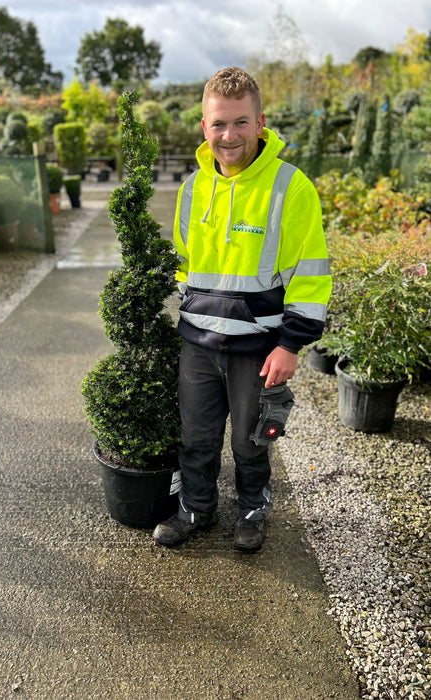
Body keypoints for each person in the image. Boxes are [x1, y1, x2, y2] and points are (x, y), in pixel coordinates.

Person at [153, 67, 332, 552]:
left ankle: (252, 509)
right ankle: (196, 509)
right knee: (197, 437)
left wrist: (291, 344)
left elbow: (311, 274)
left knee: (250, 442)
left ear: (260, 122)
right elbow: (185, 263)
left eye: (239, 122)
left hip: (258, 347)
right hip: (198, 342)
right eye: (218, 124)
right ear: (204, 126)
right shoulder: (193, 189)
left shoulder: (291, 188)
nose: (228, 135)